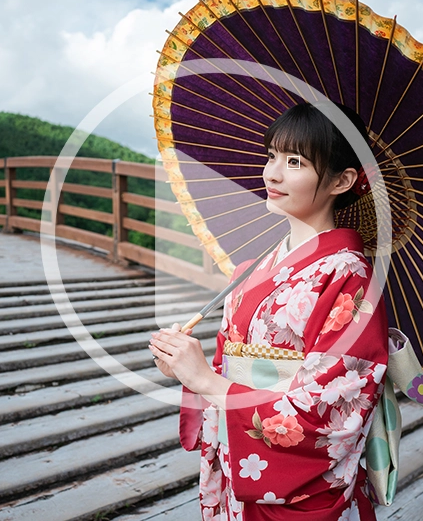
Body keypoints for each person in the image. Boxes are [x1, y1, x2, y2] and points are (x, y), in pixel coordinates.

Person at [149, 102, 389, 520]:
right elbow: (225, 366)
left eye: (294, 161)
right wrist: (189, 368)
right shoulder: (252, 269)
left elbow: (329, 410)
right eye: (271, 156)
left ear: (342, 180)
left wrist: (207, 380)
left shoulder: (351, 276)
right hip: (236, 456)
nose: (272, 173)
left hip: (294, 484)